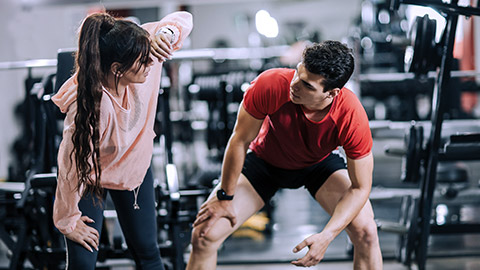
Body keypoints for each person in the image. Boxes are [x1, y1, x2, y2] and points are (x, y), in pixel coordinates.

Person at [187, 40, 383, 269]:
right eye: (298, 72)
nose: (295, 85)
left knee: (366, 233)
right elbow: (239, 140)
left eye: (307, 85)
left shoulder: (350, 114)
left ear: (331, 93)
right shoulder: (270, 84)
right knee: (204, 235)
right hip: (264, 163)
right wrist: (224, 196)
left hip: (318, 166)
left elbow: (360, 187)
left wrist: (327, 235)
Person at [51, 11, 192, 269]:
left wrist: (165, 34)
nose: (152, 64)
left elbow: (184, 18)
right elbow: (70, 165)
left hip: (133, 168)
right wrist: (67, 221)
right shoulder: (92, 106)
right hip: (90, 178)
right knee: (83, 264)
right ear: (118, 69)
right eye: (144, 61)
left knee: (148, 253)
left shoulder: (142, 58)